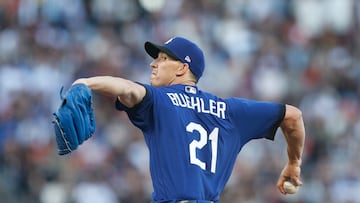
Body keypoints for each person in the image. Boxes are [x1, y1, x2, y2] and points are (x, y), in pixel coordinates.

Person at [72, 36, 305, 203]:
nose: (154, 63)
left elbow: (128, 88)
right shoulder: (231, 110)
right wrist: (293, 164)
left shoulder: (160, 99)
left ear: (182, 68)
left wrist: (86, 83)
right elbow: (293, 116)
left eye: (163, 59)